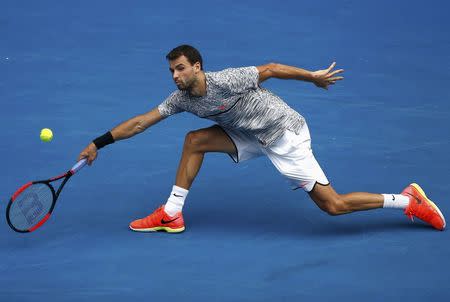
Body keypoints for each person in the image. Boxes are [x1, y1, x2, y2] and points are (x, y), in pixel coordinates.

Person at [78, 44, 446, 233]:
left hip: (284, 134)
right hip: (249, 133)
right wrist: (99, 142)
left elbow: (269, 69)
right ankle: (172, 214)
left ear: (197, 67)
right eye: (171, 71)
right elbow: (143, 121)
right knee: (194, 140)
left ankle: (407, 200)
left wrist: (313, 77)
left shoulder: (226, 79)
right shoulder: (180, 100)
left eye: (180, 69)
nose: (174, 76)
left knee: (332, 206)